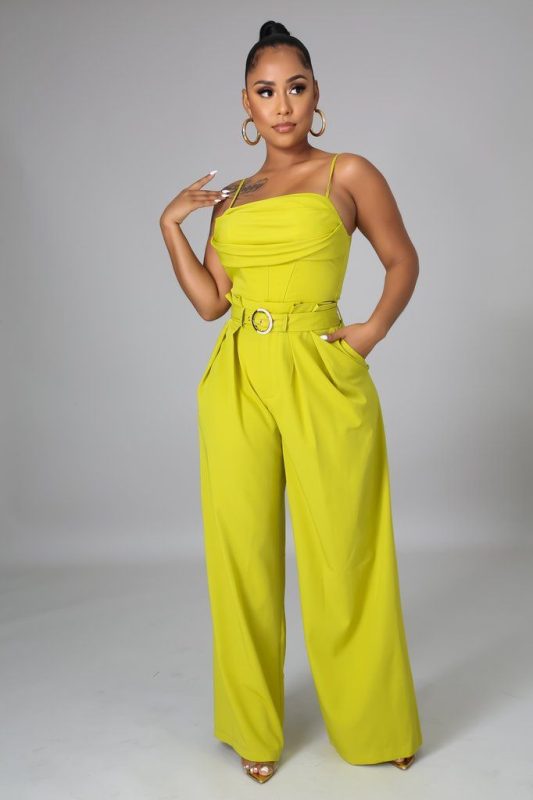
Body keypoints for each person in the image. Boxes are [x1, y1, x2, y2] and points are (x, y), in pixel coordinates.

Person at [159, 19, 423, 785]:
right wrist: (170, 225)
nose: (282, 105)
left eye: (295, 88)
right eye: (266, 91)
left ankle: (375, 719)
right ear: (246, 103)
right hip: (238, 374)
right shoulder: (232, 199)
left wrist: (371, 329)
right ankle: (252, 728)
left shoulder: (347, 173)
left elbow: (401, 258)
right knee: (241, 555)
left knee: (344, 550)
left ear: (315, 96)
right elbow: (210, 302)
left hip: (319, 368)